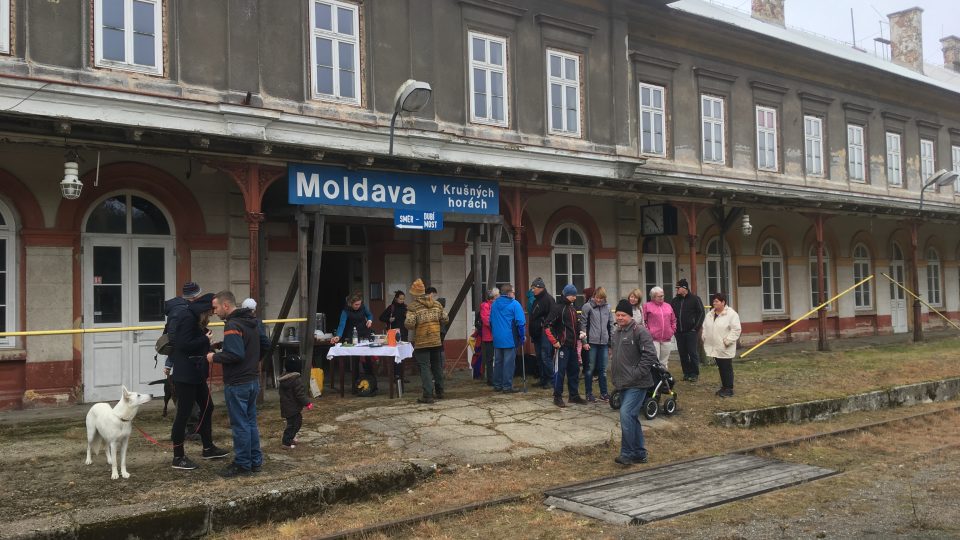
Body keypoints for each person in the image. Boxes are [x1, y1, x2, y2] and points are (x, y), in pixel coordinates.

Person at [163, 282, 228, 470]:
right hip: (185, 375)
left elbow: (194, 343)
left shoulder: (196, 320)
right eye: (212, 310)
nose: (213, 313)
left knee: (208, 407)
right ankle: (178, 457)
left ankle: (208, 448)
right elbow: (182, 344)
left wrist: (211, 346)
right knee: (183, 415)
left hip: (197, 373)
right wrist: (204, 339)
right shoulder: (187, 318)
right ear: (205, 309)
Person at [206, 290, 271, 478]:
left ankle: (242, 463)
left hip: (237, 383)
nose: (215, 311)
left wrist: (213, 357)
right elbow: (263, 345)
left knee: (240, 424)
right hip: (252, 380)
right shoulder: (252, 322)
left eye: (216, 307)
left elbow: (235, 354)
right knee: (250, 422)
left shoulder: (233, 324)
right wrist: (252, 362)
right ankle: (255, 461)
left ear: (226, 305)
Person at [609, 299, 657, 466]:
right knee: (632, 417)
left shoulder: (640, 331)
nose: (620, 318)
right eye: (618, 315)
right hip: (622, 383)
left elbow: (650, 355)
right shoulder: (617, 332)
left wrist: (637, 373)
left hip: (638, 383)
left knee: (626, 414)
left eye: (623, 315)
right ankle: (639, 453)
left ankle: (627, 453)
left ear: (630, 316)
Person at [405, 279, 449, 404]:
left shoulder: (413, 307)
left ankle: (428, 395)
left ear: (414, 293)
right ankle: (440, 391)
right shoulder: (437, 304)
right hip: (436, 340)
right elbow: (445, 318)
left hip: (422, 341)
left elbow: (409, 324)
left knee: (424, 367)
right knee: (436, 366)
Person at [544, 284, 586, 408]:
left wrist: (580, 333)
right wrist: (555, 341)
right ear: (567, 295)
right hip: (562, 346)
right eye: (573, 295)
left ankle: (573, 395)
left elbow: (575, 326)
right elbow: (547, 325)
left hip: (572, 346)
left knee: (574, 371)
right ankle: (557, 396)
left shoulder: (572, 309)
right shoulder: (558, 308)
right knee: (559, 372)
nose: (575, 297)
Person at [332, 293, 376, 392]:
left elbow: (369, 315)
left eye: (359, 304)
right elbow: (342, 324)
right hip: (352, 334)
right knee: (355, 359)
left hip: (365, 333)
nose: (358, 306)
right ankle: (355, 386)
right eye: (356, 304)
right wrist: (338, 336)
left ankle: (372, 383)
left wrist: (370, 320)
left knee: (368, 357)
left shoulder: (363, 307)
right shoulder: (345, 311)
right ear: (351, 303)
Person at [702, 292, 742, 398]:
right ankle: (724, 386)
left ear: (723, 302)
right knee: (720, 367)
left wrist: (727, 341)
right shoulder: (710, 314)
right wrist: (704, 336)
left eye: (716, 301)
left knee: (726, 367)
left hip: (725, 346)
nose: (714, 303)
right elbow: (705, 327)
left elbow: (736, 330)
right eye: (713, 301)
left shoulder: (731, 314)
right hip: (715, 346)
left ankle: (729, 388)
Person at [579, 286, 613, 403]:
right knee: (589, 369)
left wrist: (611, 344)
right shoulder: (587, 307)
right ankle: (589, 393)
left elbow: (610, 326)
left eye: (601, 298)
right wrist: (584, 342)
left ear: (604, 298)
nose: (599, 300)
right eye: (597, 298)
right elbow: (583, 325)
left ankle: (604, 393)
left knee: (602, 370)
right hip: (591, 342)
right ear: (594, 296)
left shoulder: (608, 308)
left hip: (603, 342)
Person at [490, 284, 526, 393]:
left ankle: (497, 385)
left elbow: (490, 321)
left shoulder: (494, 304)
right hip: (510, 337)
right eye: (514, 292)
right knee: (509, 363)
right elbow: (520, 322)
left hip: (497, 337)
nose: (514, 294)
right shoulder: (515, 304)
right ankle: (507, 386)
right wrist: (522, 336)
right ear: (509, 293)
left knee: (498, 362)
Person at [670, 278, 706, 382]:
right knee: (682, 353)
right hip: (679, 332)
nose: (676, 289)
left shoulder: (695, 299)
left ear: (684, 288)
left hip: (691, 332)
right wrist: (674, 328)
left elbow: (701, 313)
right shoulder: (674, 301)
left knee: (692, 352)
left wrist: (696, 328)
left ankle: (694, 373)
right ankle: (686, 373)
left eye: (678, 287)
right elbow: (671, 315)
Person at [278, 355, 313, 450]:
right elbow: (300, 395)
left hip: (287, 407)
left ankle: (290, 438)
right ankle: (286, 442)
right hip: (292, 408)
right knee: (293, 425)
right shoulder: (296, 380)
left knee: (294, 423)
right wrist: (307, 403)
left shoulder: (284, 379)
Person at [529, 277, 556, 389]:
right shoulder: (536, 300)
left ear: (540, 288)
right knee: (539, 357)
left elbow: (553, 316)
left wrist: (544, 324)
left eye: (534, 288)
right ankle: (543, 378)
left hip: (546, 332)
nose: (532, 290)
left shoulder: (549, 299)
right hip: (537, 333)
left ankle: (551, 380)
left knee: (546, 356)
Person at [643, 286, 677, 370]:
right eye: (659, 296)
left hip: (667, 338)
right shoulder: (647, 306)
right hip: (653, 339)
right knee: (654, 360)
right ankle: (655, 381)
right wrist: (649, 332)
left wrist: (672, 330)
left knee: (664, 362)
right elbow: (644, 321)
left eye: (663, 295)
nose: (662, 297)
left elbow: (673, 320)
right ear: (653, 297)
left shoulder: (668, 306)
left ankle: (664, 381)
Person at [379, 290, 409, 384]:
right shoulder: (391, 308)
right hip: (394, 334)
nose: (402, 300)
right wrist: (389, 319)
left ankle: (401, 376)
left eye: (403, 299)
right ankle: (396, 376)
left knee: (402, 355)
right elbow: (381, 317)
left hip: (404, 333)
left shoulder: (406, 307)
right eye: (400, 299)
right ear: (396, 298)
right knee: (396, 355)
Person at [479, 288, 499, 385]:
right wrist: (496, 326)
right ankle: (490, 379)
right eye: (497, 296)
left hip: (496, 335)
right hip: (489, 336)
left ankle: (497, 377)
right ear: (493, 297)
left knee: (498, 357)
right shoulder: (485, 306)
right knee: (490, 358)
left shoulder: (496, 305)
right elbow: (486, 320)